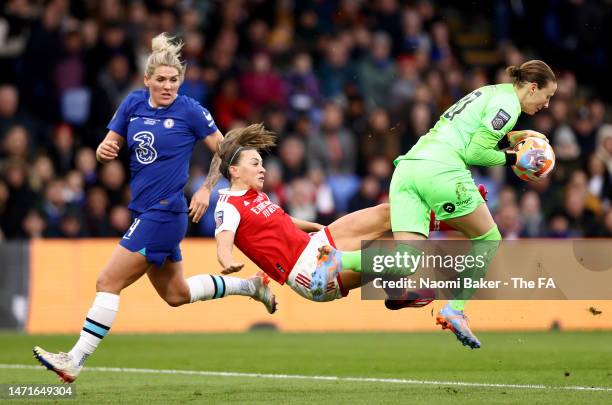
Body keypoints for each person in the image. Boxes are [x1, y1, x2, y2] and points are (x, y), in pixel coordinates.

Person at [32, 33, 276, 383]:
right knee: (177, 295)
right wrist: (105, 149)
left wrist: (207, 189)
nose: (167, 86)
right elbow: (110, 141)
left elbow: (225, 150)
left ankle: (74, 359)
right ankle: (250, 287)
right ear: (146, 80)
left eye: (174, 80)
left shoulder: (190, 110)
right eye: (160, 80)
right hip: (146, 211)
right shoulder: (132, 104)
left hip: (165, 213)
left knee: (107, 280)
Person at [213, 123, 487, 303]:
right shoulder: (228, 205)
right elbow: (224, 240)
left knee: (388, 213)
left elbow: (283, 221)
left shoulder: (255, 195)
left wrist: (315, 226)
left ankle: (449, 214)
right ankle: (397, 290)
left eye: (262, 163)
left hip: (315, 245)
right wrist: (227, 261)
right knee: (392, 258)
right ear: (235, 171)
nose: (263, 169)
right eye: (255, 163)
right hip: (308, 271)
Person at [387, 60, 557, 348]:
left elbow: (468, 128)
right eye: (547, 96)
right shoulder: (509, 106)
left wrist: (512, 137)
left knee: (405, 260)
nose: (547, 104)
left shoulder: (492, 92)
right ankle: (455, 309)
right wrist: (516, 158)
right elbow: (476, 152)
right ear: (532, 87)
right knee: (488, 238)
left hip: (408, 167)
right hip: (441, 169)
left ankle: (336, 260)